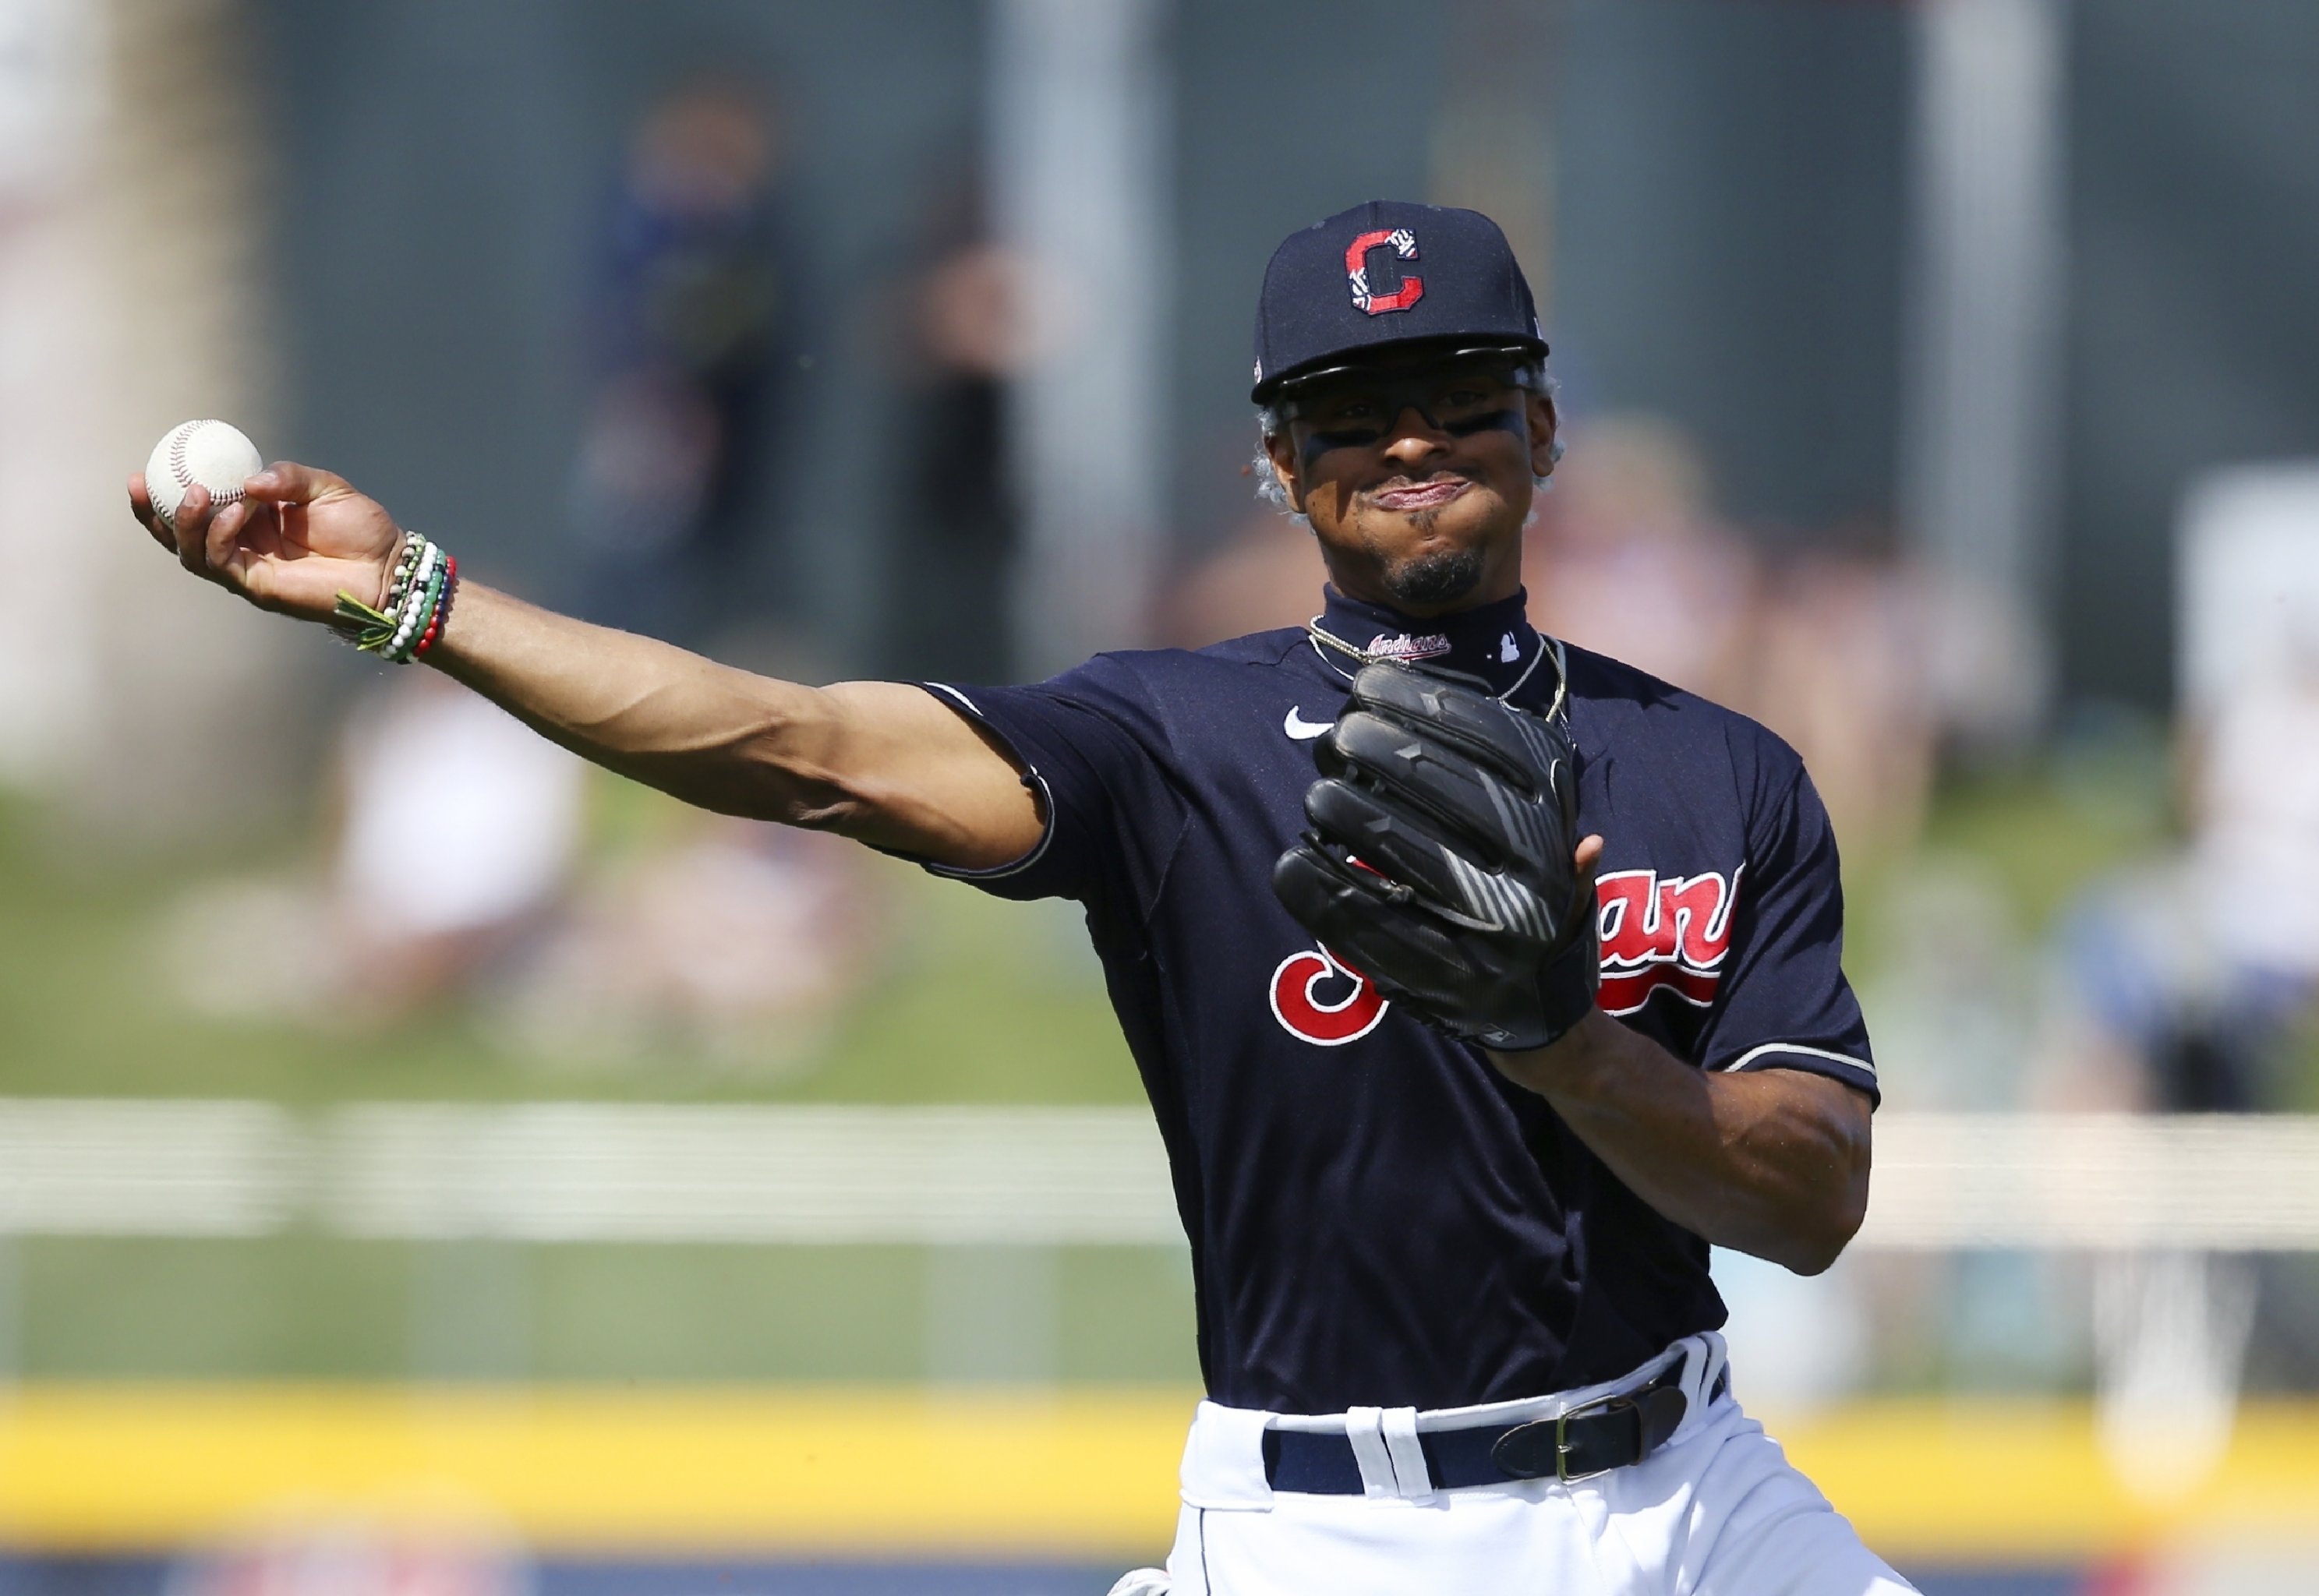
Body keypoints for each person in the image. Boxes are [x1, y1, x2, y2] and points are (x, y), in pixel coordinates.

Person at [131, 200, 1903, 1594]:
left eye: (1458, 391)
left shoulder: (1721, 771)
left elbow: (1812, 1200)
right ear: (1274, 461)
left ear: (1542, 418)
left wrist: (1567, 1045)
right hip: (1346, 1533)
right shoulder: (1173, 743)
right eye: (1352, 410)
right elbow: (801, 740)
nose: (1411, 438)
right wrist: (422, 597)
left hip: (1694, 1495)